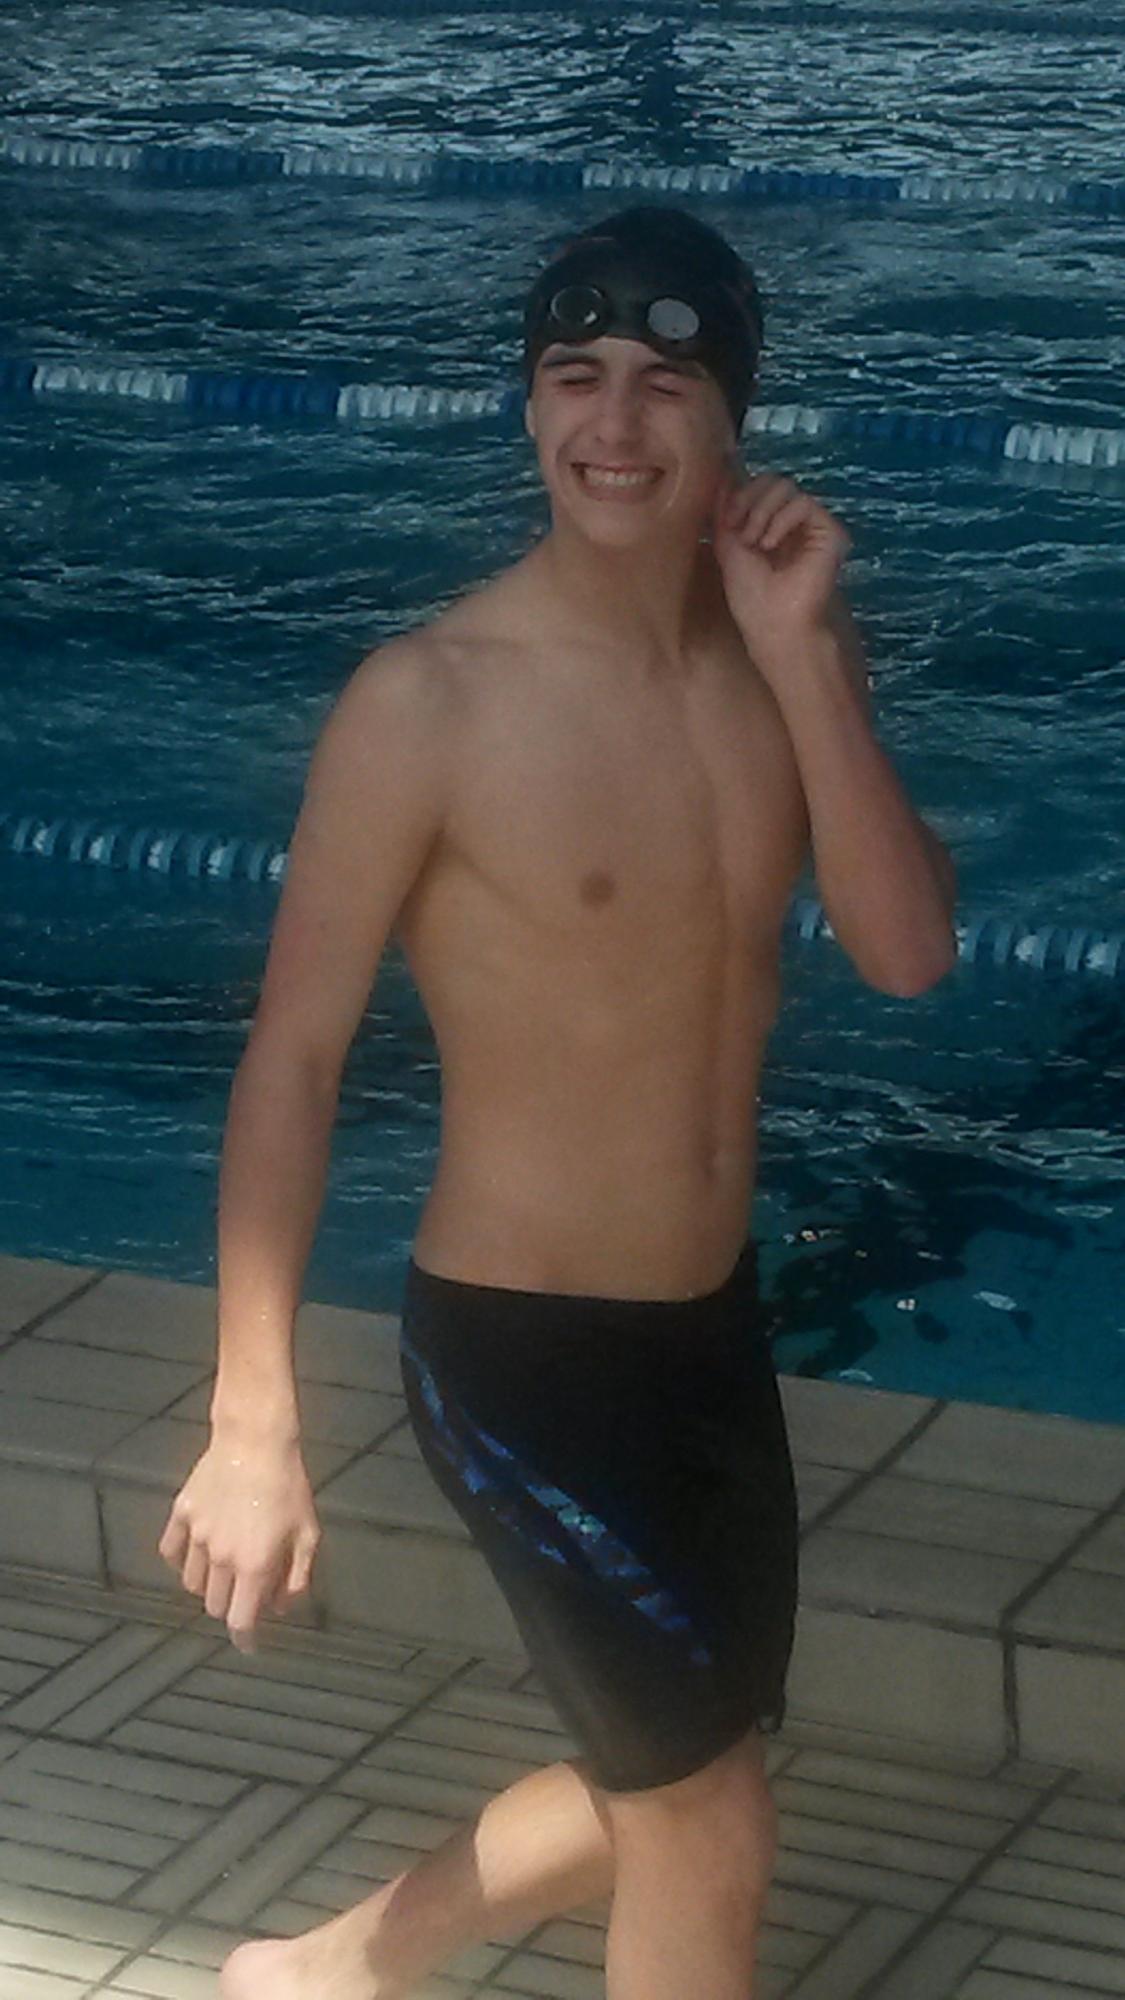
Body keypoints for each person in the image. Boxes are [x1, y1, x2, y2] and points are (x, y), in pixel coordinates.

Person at [159, 204, 958, 2000]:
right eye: (571, 376)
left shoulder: (780, 656)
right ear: (527, 408)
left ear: (730, 418)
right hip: (521, 1354)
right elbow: (292, 1059)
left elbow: (908, 952)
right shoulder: (428, 702)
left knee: (683, 1771)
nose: (613, 422)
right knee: (712, 1829)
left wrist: (806, 654)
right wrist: (252, 1419)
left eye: (663, 386)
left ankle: (327, 1970)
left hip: (708, 1330)